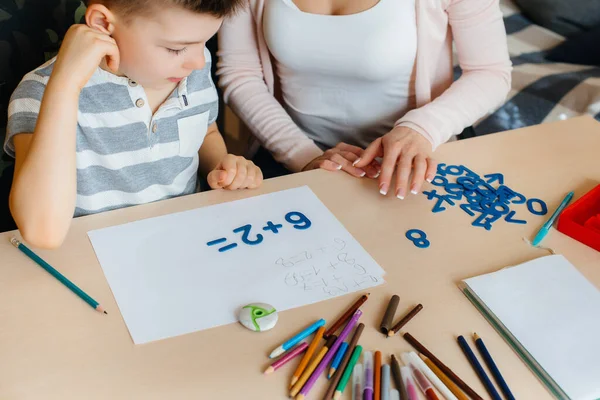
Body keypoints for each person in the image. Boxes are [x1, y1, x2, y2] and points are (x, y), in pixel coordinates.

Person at [4, 0, 263, 249]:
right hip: (89, 257)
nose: (197, 61)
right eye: (176, 48)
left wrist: (221, 165)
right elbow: (42, 232)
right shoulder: (40, 93)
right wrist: (65, 87)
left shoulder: (194, 64)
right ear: (103, 23)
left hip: (185, 239)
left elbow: (205, 130)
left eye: (204, 41)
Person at [217, 0, 511, 198]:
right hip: (292, 152)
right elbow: (239, 73)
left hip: (415, 159)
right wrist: (303, 156)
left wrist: (422, 128)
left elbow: (490, 72)